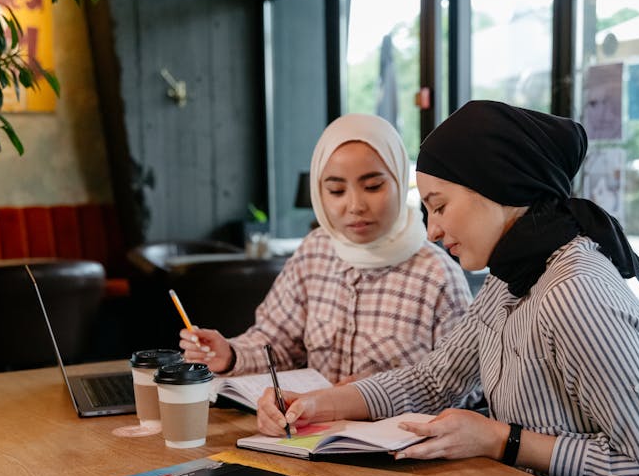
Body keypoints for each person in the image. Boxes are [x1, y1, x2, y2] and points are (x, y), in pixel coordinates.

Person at [257, 100, 639, 476]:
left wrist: (503, 440)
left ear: (497, 187)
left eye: (440, 206)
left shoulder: (574, 293)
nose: (432, 230)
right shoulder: (509, 277)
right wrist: (318, 404)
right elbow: (434, 380)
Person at [179, 113, 472, 385]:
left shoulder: (437, 275)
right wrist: (230, 354)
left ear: (398, 181)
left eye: (372, 187)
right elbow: (277, 344)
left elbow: (465, 389)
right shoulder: (315, 252)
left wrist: (380, 393)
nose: (355, 206)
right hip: (310, 434)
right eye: (336, 191)